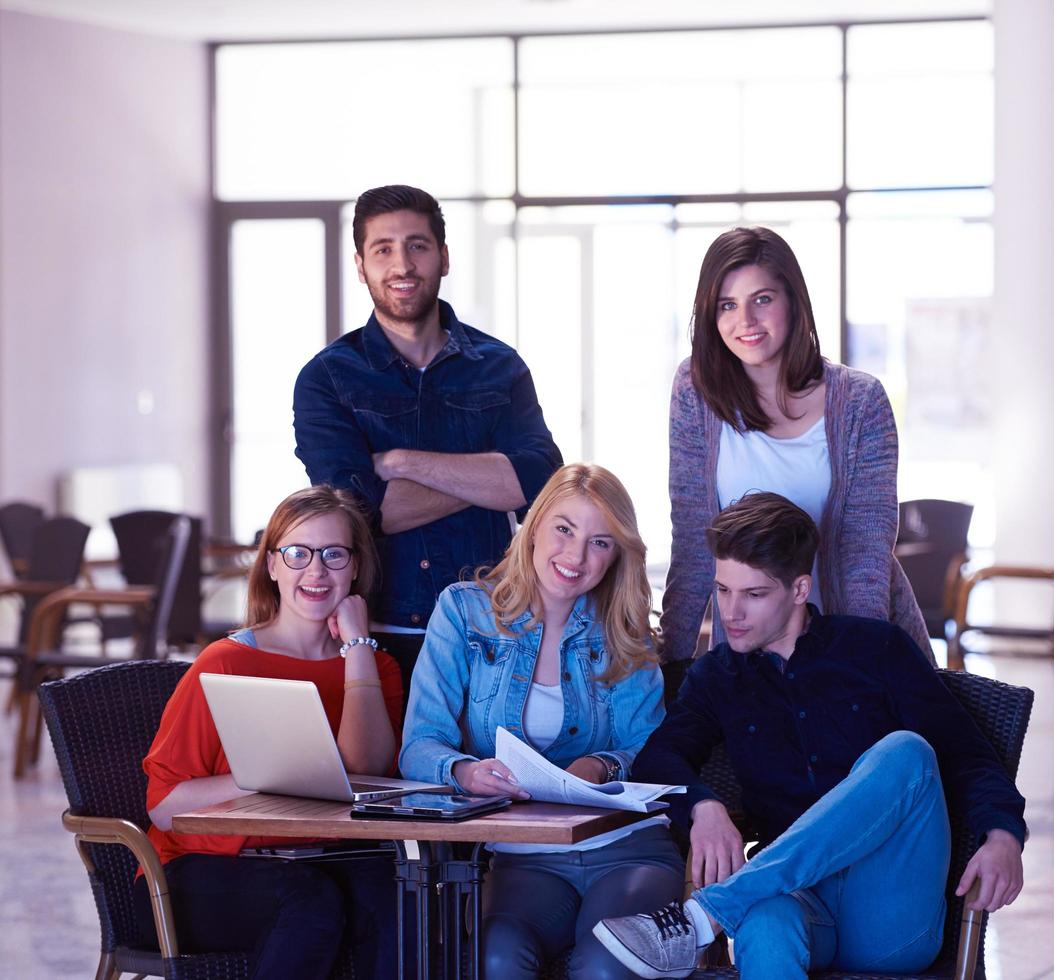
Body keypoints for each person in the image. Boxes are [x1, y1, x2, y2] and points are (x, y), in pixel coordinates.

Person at [593, 493, 1025, 980]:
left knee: (906, 752)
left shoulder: (876, 649)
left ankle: (702, 917)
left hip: (889, 915)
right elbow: (659, 758)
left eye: (754, 595)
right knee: (765, 924)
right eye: (723, 590)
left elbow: (964, 753)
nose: (731, 612)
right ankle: (715, 913)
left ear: (800, 589)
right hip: (800, 905)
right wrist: (703, 807)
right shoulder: (717, 677)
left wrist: (1005, 832)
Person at [400, 463, 684, 979]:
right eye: (564, 529)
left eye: (600, 542)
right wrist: (464, 772)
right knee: (496, 958)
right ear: (533, 526)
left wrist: (601, 765)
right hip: (521, 858)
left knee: (603, 963)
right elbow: (420, 743)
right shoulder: (463, 613)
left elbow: (652, 747)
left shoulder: (623, 629)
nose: (575, 557)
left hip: (625, 846)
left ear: (616, 555)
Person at [294, 184, 563, 694]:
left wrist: (400, 461)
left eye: (417, 245)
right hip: (375, 634)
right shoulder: (326, 379)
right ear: (360, 265)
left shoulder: (501, 368)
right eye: (383, 249)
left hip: (493, 628)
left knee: (485, 775)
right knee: (382, 774)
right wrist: (486, 477)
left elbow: (540, 482)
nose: (402, 264)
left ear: (443, 257)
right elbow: (362, 511)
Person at [135, 486, 405, 979]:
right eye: (297, 553)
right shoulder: (225, 662)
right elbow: (164, 806)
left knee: (402, 909)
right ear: (273, 565)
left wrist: (358, 647)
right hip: (207, 868)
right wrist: (270, 777)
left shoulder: (376, 667)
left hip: (332, 856)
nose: (316, 570)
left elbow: (368, 769)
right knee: (309, 904)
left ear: (356, 567)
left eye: (334, 555)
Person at [660, 225, 929, 692]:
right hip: (750, 650)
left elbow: (864, 548)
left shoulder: (860, 402)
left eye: (762, 299)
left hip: (853, 640)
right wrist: (672, 665)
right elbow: (693, 543)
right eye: (727, 305)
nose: (745, 320)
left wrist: (851, 669)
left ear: (793, 301)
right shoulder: (695, 393)